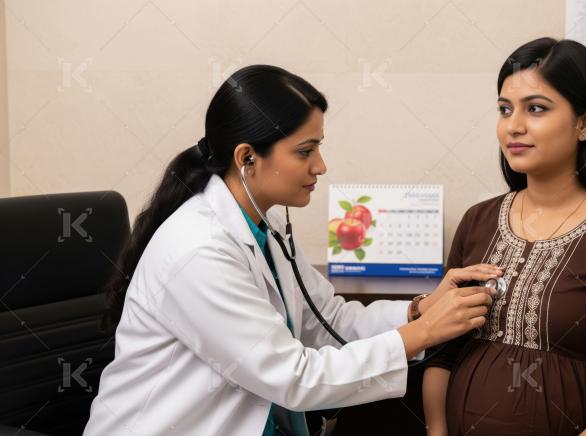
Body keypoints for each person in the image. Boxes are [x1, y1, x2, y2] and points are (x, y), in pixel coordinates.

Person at [84, 65, 500, 435]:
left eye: (318, 146)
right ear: (248, 158)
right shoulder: (199, 250)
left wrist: (418, 311)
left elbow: (326, 320)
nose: (320, 165)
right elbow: (294, 378)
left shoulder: (265, 226)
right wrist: (423, 334)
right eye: (305, 151)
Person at [422, 38, 586, 436]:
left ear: (585, 122)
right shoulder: (478, 221)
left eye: (536, 108)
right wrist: (436, 431)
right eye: (505, 110)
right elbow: (442, 352)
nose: (514, 126)